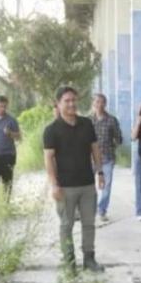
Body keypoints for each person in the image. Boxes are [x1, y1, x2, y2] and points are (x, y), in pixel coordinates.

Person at [43, 86, 104, 272]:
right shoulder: (51, 130)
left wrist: (100, 172)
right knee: (66, 225)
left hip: (87, 185)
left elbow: (95, 149)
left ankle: (89, 260)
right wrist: (54, 185)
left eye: (74, 100)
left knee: (89, 224)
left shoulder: (87, 124)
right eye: (67, 101)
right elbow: (48, 159)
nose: (71, 104)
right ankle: (69, 262)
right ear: (58, 103)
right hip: (65, 187)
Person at [91, 93, 123, 222]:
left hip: (107, 158)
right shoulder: (88, 121)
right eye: (97, 102)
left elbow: (119, 138)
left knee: (106, 186)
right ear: (93, 103)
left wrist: (113, 144)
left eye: (102, 102)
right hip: (90, 158)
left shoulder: (112, 120)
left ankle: (102, 210)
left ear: (105, 104)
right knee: (88, 186)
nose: (99, 104)